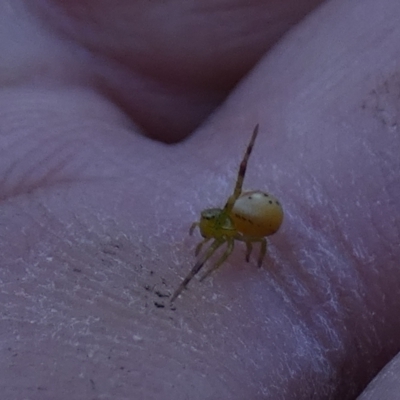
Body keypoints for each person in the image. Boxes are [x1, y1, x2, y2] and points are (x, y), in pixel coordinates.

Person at [1, 0, 399, 398]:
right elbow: (219, 223)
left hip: (259, 217)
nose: (202, 225)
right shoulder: (224, 226)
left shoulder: (227, 236)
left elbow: (223, 241)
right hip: (257, 217)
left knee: (234, 237)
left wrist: (192, 281)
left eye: (207, 224)